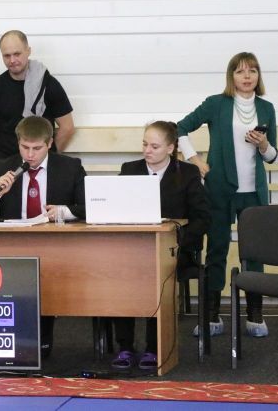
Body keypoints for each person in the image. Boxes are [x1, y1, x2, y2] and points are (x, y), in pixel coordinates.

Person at [177, 52, 278, 339]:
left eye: (252, 71)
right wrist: (195, 160)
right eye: (240, 71)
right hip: (220, 190)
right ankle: (211, 314)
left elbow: (272, 156)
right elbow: (179, 128)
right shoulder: (216, 103)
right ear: (231, 76)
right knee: (217, 249)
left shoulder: (266, 108)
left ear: (258, 76)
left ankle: (255, 314)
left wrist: (263, 144)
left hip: (254, 192)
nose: (247, 76)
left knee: (255, 254)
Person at [0, 116, 86, 358]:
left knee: (46, 278)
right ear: (18, 143)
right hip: (15, 246)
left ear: (50, 143)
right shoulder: (4, 166)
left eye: (37, 148)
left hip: (55, 247)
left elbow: (88, 206)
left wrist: (64, 212)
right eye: (25, 147)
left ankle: (42, 342)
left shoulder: (70, 167)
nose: (30, 155)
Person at [110, 121, 211, 371]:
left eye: (154, 146)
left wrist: (177, 242)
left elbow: (202, 218)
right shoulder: (130, 170)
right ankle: (125, 346)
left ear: (170, 148)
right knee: (116, 273)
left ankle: (154, 347)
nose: (147, 150)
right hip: (134, 250)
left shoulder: (187, 173)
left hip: (174, 250)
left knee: (156, 273)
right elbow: (116, 208)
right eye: (145, 144)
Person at [0, 30, 75, 160]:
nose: (12, 60)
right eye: (7, 56)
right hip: (7, 162)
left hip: (42, 163)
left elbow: (67, 128)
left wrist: (48, 157)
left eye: (17, 54)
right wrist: (5, 153)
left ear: (28, 51)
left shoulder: (48, 84)